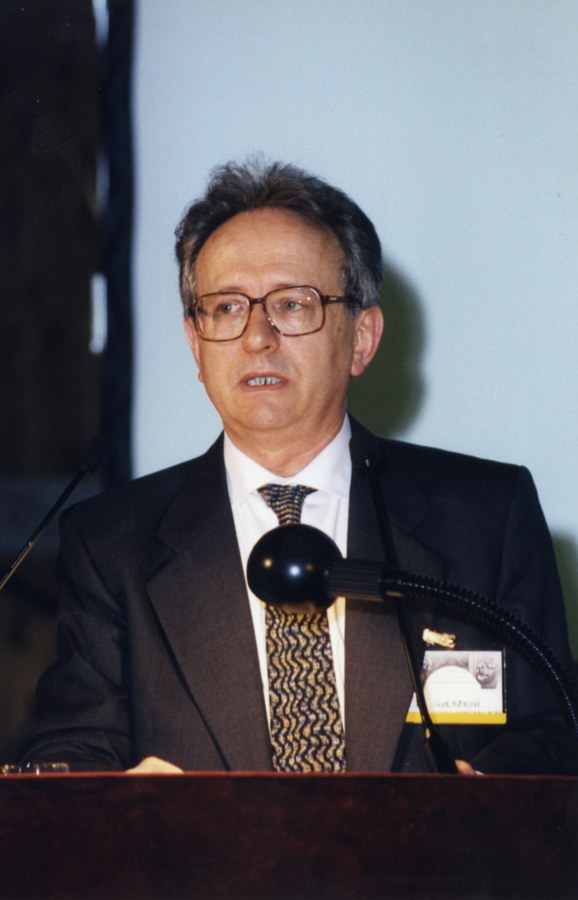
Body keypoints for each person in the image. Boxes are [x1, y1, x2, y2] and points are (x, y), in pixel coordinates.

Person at [21, 159, 576, 775]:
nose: (257, 337)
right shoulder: (112, 544)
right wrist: (118, 802)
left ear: (361, 338)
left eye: (292, 303)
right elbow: (71, 753)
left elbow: (554, 729)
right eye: (226, 308)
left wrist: (482, 801)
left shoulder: (486, 518)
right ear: (195, 345)